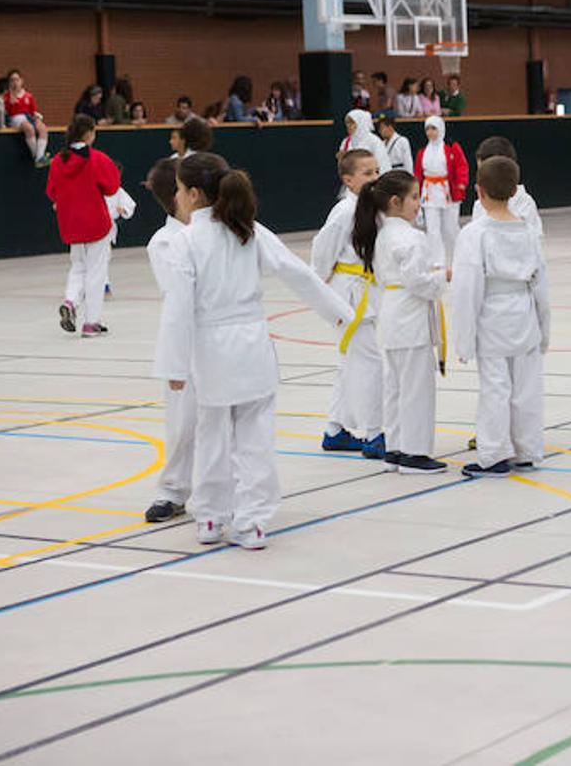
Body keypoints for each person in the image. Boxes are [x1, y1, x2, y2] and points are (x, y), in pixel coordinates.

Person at [158, 153, 353, 549]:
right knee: (255, 438)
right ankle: (252, 523)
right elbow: (297, 272)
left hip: (211, 350)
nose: (176, 198)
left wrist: (174, 365)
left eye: (178, 190)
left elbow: (177, 309)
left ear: (194, 194)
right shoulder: (248, 229)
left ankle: (211, 517)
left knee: (212, 435)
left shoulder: (185, 241)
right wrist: (339, 313)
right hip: (251, 346)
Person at [452, 155, 550, 478]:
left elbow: (467, 289)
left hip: (491, 316)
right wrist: (544, 328)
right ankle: (527, 450)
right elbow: (541, 283)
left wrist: (463, 339)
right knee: (526, 388)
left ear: (478, 192)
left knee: (495, 387)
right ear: (514, 190)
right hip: (524, 314)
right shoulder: (528, 231)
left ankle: (493, 454)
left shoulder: (474, 233)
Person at [351, 169, 449, 474]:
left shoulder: (382, 236)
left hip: (391, 315)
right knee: (416, 388)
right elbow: (418, 282)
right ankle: (414, 452)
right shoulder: (410, 237)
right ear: (396, 202)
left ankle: (394, 446)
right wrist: (442, 276)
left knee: (394, 386)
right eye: (415, 198)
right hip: (410, 318)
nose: (419, 204)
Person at [310, 149, 387, 457]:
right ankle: (374, 433)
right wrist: (323, 288)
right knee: (371, 365)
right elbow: (322, 251)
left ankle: (335, 430)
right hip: (351, 297)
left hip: (368, 291)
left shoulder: (374, 207)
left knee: (349, 364)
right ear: (348, 180)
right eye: (367, 173)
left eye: (377, 171)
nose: (374, 178)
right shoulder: (344, 211)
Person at [141, 158, 196, 523]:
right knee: (182, 422)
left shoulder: (217, 231)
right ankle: (172, 489)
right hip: (186, 342)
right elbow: (180, 301)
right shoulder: (164, 242)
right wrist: (175, 359)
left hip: (223, 341)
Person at [46, 115, 120, 337]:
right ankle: (91, 322)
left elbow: (51, 192)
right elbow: (112, 187)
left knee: (78, 267)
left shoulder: (59, 160)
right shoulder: (96, 158)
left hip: (71, 224)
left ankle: (70, 302)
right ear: (89, 133)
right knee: (96, 272)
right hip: (96, 222)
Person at [413, 114, 470, 266]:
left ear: (441, 129)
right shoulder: (422, 152)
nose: (430, 132)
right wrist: (416, 194)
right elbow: (418, 174)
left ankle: (458, 256)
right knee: (432, 228)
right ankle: (436, 260)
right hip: (429, 191)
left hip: (448, 191)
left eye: (433, 128)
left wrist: (461, 183)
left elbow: (461, 166)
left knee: (450, 227)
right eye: (427, 129)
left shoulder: (452, 148)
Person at [468, 136, 543, 237]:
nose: (482, 180)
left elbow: (533, 238)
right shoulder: (478, 205)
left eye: (487, 175)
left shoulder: (524, 203)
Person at [3, 69, 50, 167]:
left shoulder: (28, 96)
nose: (15, 82)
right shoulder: (7, 96)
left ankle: (39, 156)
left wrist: (37, 119)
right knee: (29, 128)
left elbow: (33, 111)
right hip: (16, 118)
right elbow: (8, 112)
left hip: (29, 116)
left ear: (21, 81)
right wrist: (12, 98)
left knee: (42, 128)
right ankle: (37, 156)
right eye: (12, 80)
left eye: (17, 79)